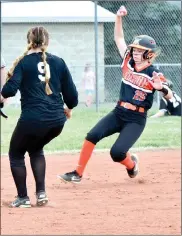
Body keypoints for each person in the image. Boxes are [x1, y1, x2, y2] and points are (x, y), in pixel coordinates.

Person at [58, 5, 173, 184]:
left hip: (136, 118)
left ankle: (132, 165)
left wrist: (161, 88)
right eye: (134, 49)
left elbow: (169, 95)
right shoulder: (128, 61)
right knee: (92, 135)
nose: (135, 53)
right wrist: (118, 18)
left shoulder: (154, 73)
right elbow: (119, 38)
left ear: (149, 54)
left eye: (139, 51)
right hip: (119, 112)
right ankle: (77, 174)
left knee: (116, 153)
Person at [0, 26, 78, 207]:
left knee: (16, 153)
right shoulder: (59, 62)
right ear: (47, 42)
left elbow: (9, 90)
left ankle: (23, 198)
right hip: (57, 120)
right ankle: (41, 194)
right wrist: (68, 108)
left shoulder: (24, 62)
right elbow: (72, 97)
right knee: (35, 149)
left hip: (33, 119)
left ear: (29, 42)